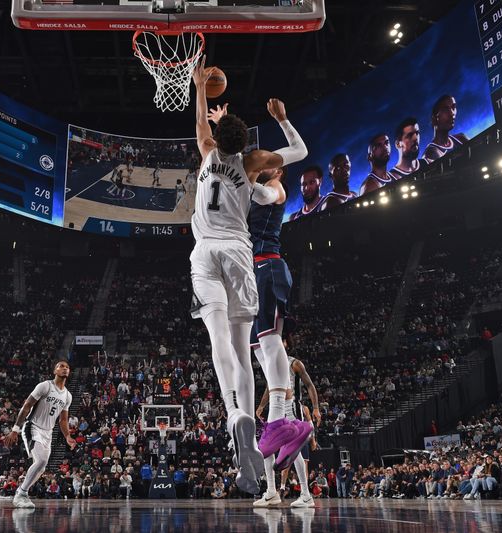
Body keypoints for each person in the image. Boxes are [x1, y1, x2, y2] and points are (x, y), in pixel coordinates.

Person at [190, 56, 307, 495]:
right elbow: (297, 153)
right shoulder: (253, 163)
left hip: (206, 254)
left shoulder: (206, 151)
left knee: (221, 340)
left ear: (216, 138)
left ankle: (236, 414)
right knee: (244, 346)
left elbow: (204, 131)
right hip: (242, 255)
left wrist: (202, 87)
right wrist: (280, 120)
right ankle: (258, 416)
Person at [4, 360, 77, 508]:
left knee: (41, 467)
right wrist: (15, 429)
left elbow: (63, 420)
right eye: (61, 366)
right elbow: (26, 406)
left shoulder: (68, 396)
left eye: (67, 367)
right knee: (42, 461)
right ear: (55, 371)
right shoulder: (45, 386)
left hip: (48, 433)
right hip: (33, 427)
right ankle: (21, 493)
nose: (65, 369)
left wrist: (68, 436)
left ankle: (23, 492)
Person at [255, 349, 321, 508]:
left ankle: (305, 494)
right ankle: (271, 491)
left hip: (291, 407)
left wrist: (316, 408)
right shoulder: (271, 363)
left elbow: (310, 385)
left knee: (294, 449)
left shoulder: (294, 363)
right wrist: (262, 406)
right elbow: (268, 388)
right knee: (266, 446)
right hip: (275, 407)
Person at [422, 95, 468, 164]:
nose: (452, 113)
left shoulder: (461, 138)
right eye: (445, 109)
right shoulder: (431, 153)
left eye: (453, 107)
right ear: (434, 118)